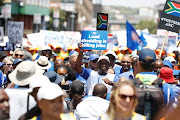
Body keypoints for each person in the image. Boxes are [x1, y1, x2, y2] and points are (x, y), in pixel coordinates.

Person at [134, 48, 175, 119]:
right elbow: (169, 111)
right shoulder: (165, 87)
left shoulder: (128, 86)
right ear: (154, 64)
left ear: (138, 64)